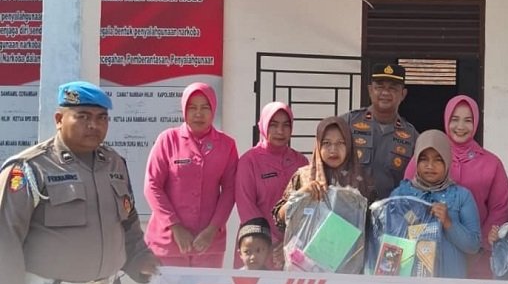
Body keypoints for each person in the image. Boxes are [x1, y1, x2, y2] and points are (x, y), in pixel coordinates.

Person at [0, 81, 159, 284]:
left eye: (101, 118)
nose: (94, 125)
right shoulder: (29, 169)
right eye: (83, 116)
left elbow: (127, 222)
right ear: (59, 119)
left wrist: (140, 258)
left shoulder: (114, 164)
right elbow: (5, 247)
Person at [405, 95, 508, 278]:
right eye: (455, 119)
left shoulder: (491, 163)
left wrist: (481, 244)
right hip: (425, 253)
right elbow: (407, 198)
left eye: (468, 120)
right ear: (446, 120)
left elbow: (499, 207)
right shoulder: (425, 157)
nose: (460, 126)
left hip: (478, 254)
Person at [144, 82, 238, 267]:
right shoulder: (167, 140)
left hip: (208, 244)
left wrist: (212, 229)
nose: (198, 114)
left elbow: (230, 189)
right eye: (192, 107)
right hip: (168, 242)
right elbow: (152, 186)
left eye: (205, 107)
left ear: (213, 109)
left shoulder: (227, 145)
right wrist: (175, 226)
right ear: (184, 110)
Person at [391, 129, 481, 278]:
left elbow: (473, 246)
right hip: (409, 283)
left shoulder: (461, 196)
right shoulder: (401, 196)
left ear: (447, 160)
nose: (430, 166)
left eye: (438, 159)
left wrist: (448, 223)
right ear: (416, 161)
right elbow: (389, 242)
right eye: (424, 159)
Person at [235, 101, 307, 269]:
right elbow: (246, 207)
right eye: (273, 125)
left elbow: (306, 208)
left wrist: (289, 244)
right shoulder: (249, 161)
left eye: (286, 125)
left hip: (293, 250)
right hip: (256, 249)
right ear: (263, 125)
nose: (280, 131)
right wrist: (272, 243)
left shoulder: (301, 162)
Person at [273, 115, 373, 229]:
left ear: (349, 145)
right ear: (318, 145)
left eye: (341, 142)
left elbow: (374, 224)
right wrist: (302, 193)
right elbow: (280, 218)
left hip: (351, 240)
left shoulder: (362, 179)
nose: (333, 150)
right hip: (307, 241)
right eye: (326, 143)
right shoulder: (303, 176)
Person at [347, 63, 418, 199]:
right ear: (370, 90)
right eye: (379, 87)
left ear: (403, 94)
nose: (385, 93)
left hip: (391, 209)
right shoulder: (348, 123)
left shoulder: (412, 136)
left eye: (393, 88)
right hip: (350, 207)